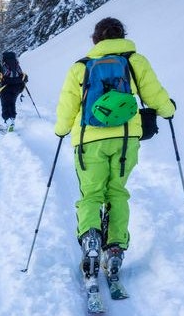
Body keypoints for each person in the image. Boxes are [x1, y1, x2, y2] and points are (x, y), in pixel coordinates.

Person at [54, 16, 175, 280]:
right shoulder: (135, 61)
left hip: (88, 140)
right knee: (117, 192)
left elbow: (68, 104)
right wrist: (169, 110)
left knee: (91, 194)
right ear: (122, 35)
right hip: (125, 139)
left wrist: (61, 129)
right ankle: (116, 247)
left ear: (95, 39)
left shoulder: (81, 67)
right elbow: (154, 95)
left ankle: (91, 240)